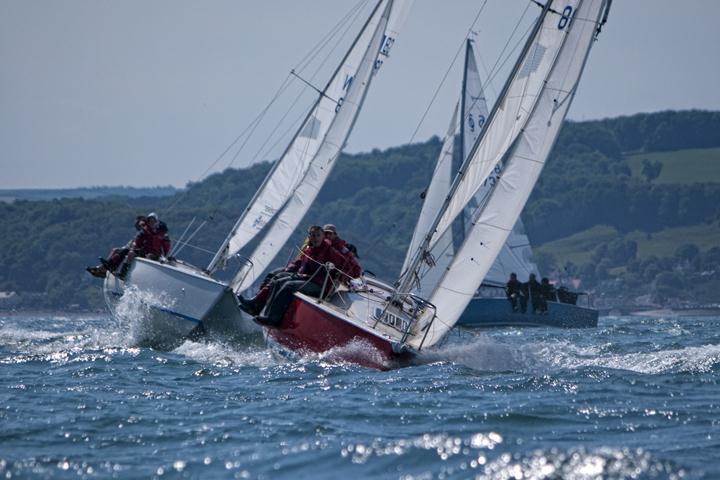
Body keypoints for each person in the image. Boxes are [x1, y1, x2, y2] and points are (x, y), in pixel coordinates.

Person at [254, 225, 358, 326]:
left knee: (288, 286)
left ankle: (273, 318)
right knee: (278, 281)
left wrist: (341, 275)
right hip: (308, 279)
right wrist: (293, 272)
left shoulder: (331, 251)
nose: (315, 238)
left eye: (318, 235)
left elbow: (353, 268)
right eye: (313, 235)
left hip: (320, 286)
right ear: (309, 237)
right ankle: (265, 312)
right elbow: (301, 264)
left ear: (323, 237)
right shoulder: (310, 249)